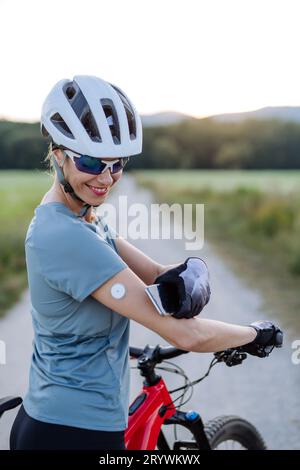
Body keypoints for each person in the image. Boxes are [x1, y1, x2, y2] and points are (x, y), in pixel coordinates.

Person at [9, 75, 282, 450]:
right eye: (91, 162)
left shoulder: (82, 218)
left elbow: (155, 272)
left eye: (117, 163)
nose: (106, 178)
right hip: (76, 433)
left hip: (57, 422)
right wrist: (257, 333)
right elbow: (187, 335)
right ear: (58, 156)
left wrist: (191, 274)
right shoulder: (65, 236)